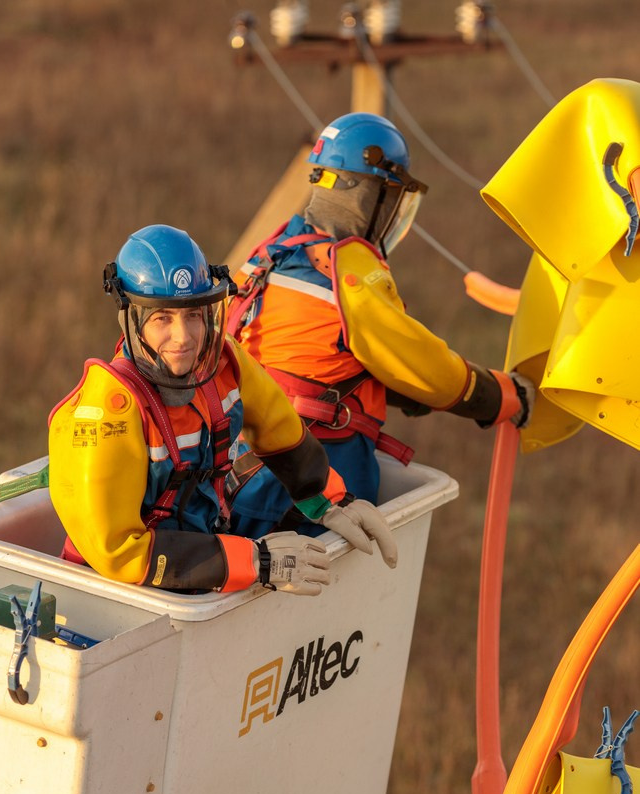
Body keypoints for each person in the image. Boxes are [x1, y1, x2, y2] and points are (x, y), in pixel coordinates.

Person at [227, 112, 535, 538]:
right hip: (312, 480)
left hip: (242, 468)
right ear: (370, 194)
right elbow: (422, 365)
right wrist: (499, 395)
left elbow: (313, 362)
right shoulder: (348, 269)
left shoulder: (270, 253)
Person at [48, 224, 397, 596]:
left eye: (194, 315)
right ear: (130, 317)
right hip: (115, 594)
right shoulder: (108, 414)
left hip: (200, 566)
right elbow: (119, 554)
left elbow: (279, 428)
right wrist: (256, 561)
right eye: (162, 318)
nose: (184, 337)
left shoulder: (224, 364)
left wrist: (328, 500)